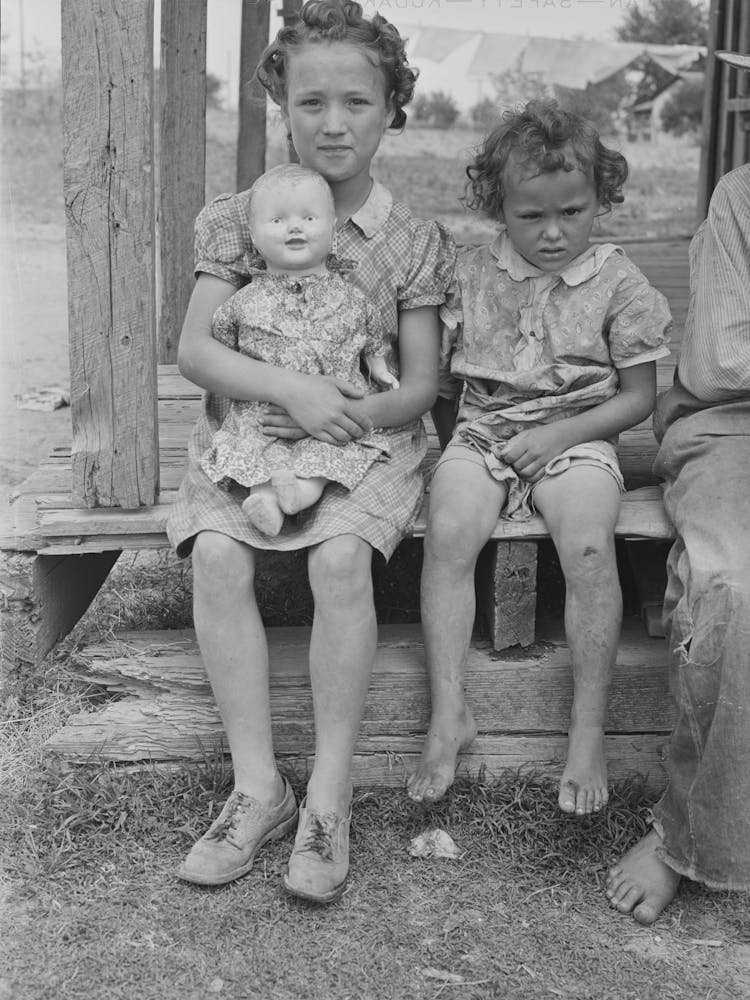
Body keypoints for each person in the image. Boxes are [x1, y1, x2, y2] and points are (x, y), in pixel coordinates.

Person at [166, 0, 454, 904]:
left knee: (338, 559)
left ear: (393, 106)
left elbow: (417, 387)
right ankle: (259, 786)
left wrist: (346, 415)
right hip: (249, 431)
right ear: (280, 105)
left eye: (358, 103)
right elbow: (198, 350)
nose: (334, 124)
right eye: (312, 103)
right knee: (216, 554)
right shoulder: (242, 217)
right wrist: (290, 390)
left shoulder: (409, 239)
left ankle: (330, 792)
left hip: (371, 440)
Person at [407, 99, 672, 816]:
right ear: (499, 207)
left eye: (573, 212)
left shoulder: (619, 282)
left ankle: (587, 731)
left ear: (601, 199)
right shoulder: (469, 275)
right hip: (486, 429)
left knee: (588, 547)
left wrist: (561, 437)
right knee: (451, 531)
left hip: (579, 434)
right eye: (531, 217)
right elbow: (445, 383)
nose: (553, 233)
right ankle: (448, 711)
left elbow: (637, 397)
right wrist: (459, 447)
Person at [605, 50, 750, 924]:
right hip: (735, 424)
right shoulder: (742, 198)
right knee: (734, 583)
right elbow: (724, 359)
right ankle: (686, 835)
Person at [200, 163, 399, 537]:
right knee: (253, 450)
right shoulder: (242, 302)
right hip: (267, 412)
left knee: (329, 453)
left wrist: (381, 368)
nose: (295, 227)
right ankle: (265, 501)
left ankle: (301, 494)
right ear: (255, 238)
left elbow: (372, 335)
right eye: (277, 221)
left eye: (309, 218)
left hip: (331, 411)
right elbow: (221, 342)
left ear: (332, 228)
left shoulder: (352, 298)